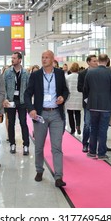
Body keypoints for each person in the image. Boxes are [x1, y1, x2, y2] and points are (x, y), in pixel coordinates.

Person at [24, 50, 69, 187]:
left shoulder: (60, 74)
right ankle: (39, 170)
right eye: (42, 57)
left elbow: (65, 91)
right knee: (39, 146)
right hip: (40, 114)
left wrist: (63, 97)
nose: (43, 60)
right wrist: (31, 109)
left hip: (56, 114)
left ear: (52, 59)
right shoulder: (36, 75)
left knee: (57, 147)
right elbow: (27, 94)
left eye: (46, 57)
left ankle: (58, 177)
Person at [84, 54, 111, 161]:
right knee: (103, 130)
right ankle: (101, 153)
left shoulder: (90, 72)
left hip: (93, 105)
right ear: (107, 60)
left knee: (93, 129)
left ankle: (92, 151)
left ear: (98, 60)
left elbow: (86, 88)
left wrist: (87, 100)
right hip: (106, 105)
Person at [3, 52, 30, 155]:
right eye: (12, 58)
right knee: (11, 123)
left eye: (14, 58)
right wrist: (5, 99)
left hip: (22, 101)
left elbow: (28, 89)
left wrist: (28, 103)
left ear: (20, 60)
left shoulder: (26, 73)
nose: (12, 60)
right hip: (10, 101)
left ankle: (26, 145)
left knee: (23, 123)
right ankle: (12, 144)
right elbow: (3, 87)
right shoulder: (7, 73)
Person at [77, 54, 98, 152]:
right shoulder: (82, 74)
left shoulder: (100, 72)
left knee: (98, 124)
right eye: (94, 61)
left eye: (96, 60)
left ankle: (97, 144)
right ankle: (85, 143)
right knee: (87, 124)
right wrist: (90, 89)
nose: (96, 62)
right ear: (88, 62)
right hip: (88, 102)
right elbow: (79, 88)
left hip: (99, 102)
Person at [65, 62, 82, 135]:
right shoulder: (80, 77)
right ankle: (78, 125)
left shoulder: (68, 77)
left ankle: (72, 129)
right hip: (78, 97)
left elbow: (66, 87)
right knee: (78, 113)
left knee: (70, 114)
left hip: (70, 98)